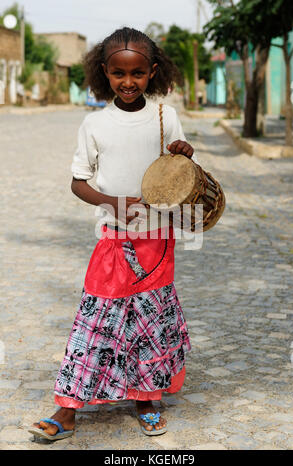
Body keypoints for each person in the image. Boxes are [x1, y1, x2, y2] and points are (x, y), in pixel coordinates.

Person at [29, 26, 196, 441]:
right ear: (104, 72)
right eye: (119, 73)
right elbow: (77, 181)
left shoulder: (165, 116)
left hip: (157, 239)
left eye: (137, 73)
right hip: (113, 239)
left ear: (152, 72)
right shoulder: (94, 124)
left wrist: (184, 151)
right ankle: (67, 410)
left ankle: (146, 399)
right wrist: (113, 203)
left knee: (149, 322)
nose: (128, 82)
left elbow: (181, 171)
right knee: (95, 321)